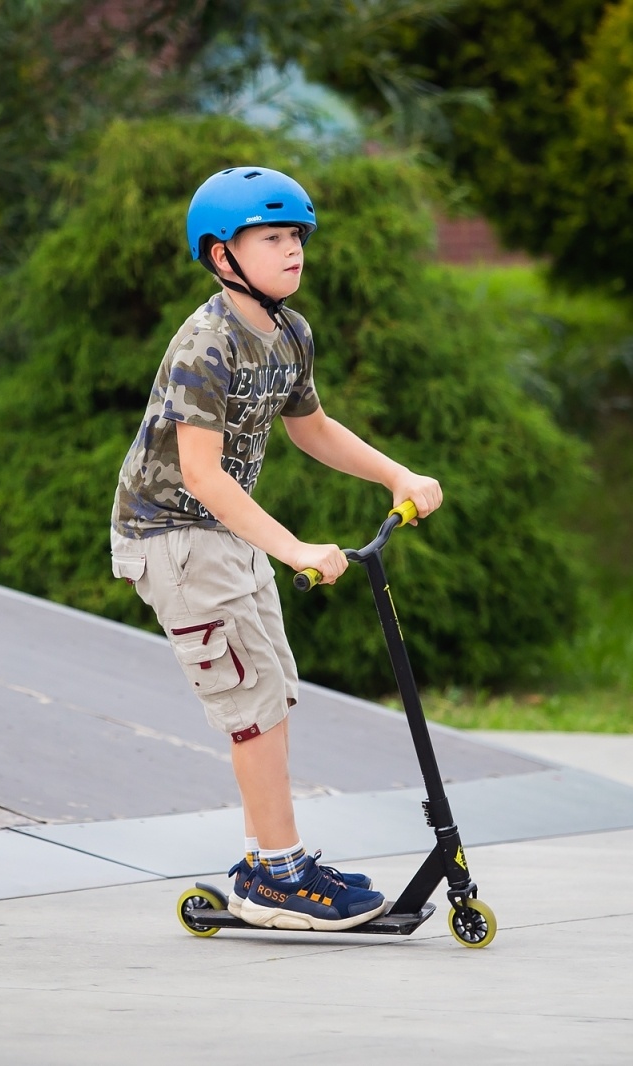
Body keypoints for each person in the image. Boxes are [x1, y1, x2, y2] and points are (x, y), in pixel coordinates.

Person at [108, 166, 443, 931]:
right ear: (223, 256)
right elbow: (199, 472)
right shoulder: (206, 344)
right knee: (250, 704)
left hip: (226, 533)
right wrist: (293, 547)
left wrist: (398, 474)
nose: (292, 250)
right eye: (272, 237)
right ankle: (281, 881)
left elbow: (311, 428)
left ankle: (272, 861)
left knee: (270, 692)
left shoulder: (289, 332)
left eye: (297, 236)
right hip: (173, 537)